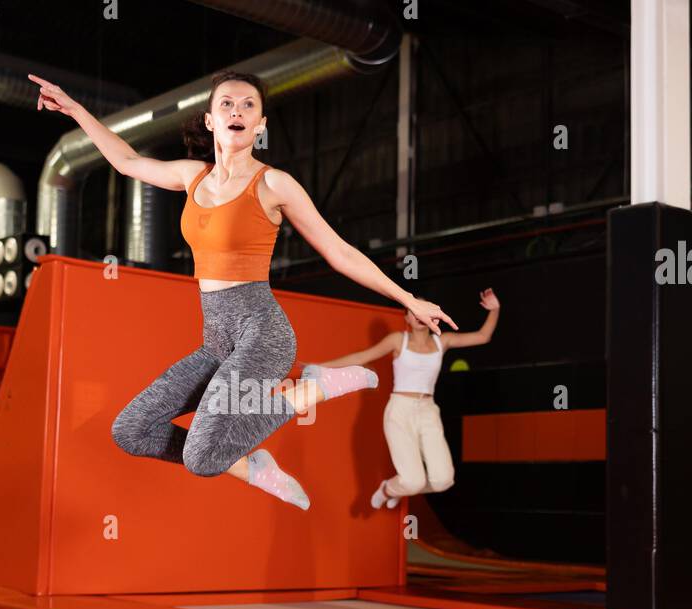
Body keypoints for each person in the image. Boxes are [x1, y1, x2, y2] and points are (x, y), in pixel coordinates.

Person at [30, 69, 457, 510]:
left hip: (262, 335)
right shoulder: (191, 176)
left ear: (261, 124)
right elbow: (126, 161)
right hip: (216, 341)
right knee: (132, 429)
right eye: (227, 104)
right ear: (211, 120)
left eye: (248, 105)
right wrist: (77, 110)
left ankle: (312, 389)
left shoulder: (273, 184)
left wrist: (407, 298)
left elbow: (339, 251)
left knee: (200, 458)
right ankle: (252, 467)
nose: (237, 110)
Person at [304, 289, 501, 509]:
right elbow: (363, 357)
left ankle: (401, 487)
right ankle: (390, 489)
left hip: (428, 411)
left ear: (434, 315)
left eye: (423, 310)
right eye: (413, 311)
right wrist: (321, 368)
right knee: (412, 481)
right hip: (400, 410)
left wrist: (495, 310)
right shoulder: (398, 340)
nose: (418, 315)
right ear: (407, 317)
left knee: (444, 480)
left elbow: (483, 336)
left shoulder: (442, 342)